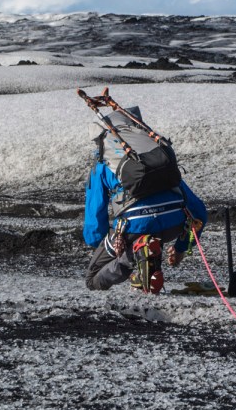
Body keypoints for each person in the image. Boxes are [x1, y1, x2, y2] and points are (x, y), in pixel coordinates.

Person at [83, 106, 208, 293]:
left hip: (132, 227)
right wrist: (181, 248)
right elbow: (198, 211)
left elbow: (95, 216)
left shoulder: (104, 160)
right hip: (173, 224)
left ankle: (134, 255)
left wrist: (101, 244)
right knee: (152, 237)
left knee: (92, 279)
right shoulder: (157, 154)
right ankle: (146, 270)